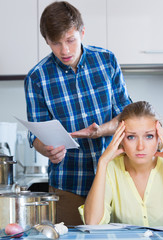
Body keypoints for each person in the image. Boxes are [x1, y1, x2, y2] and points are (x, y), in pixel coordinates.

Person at [24, 1, 131, 225]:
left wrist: (100, 131)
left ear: (82, 32)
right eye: (56, 43)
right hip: (68, 186)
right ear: (46, 40)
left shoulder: (106, 61)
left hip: (115, 179)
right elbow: (36, 135)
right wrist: (47, 150)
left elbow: (126, 115)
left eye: (71, 40)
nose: (65, 50)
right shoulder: (37, 78)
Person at [80, 101, 163, 226]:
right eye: (131, 137)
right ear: (120, 138)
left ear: (159, 137)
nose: (140, 147)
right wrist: (102, 163)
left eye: (149, 136)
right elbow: (92, 223)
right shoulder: (110, 167)